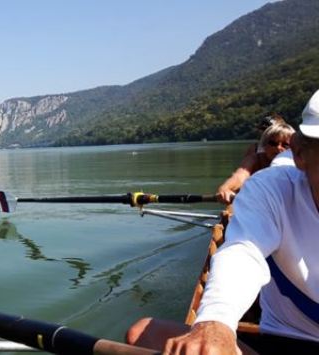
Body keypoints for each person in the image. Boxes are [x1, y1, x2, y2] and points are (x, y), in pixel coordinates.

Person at [126, 89, 319, 354]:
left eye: (282, 143)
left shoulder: (279, 171)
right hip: (286, 337)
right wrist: (217, 321)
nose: (278, 148)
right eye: (274, 143)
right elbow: (243, 252)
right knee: (142, 333)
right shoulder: (267, 179)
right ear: (301, 153)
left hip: (257, 214)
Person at [216, 119, 295, 204]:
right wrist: (225, 188)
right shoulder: (255, 158)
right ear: (265, 145)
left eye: (285, 145)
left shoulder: (299, 161)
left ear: (294, 147)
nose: (278, 147)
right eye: (273, 143)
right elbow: (240, 176)